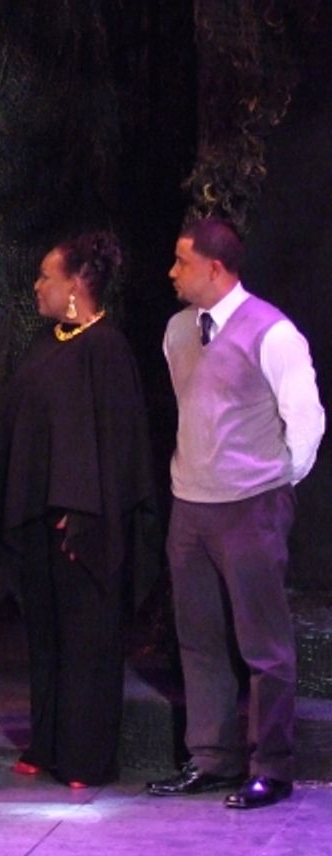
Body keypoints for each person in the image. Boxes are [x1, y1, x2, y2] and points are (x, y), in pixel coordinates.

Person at [148, 218, 324, 809]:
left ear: (215, 268)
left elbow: (306, 420)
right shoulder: (178, 330)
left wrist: (272, 482)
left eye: (182, 262)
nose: (172, 272)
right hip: (190, 506)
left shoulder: (272, 332)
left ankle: (271, 766)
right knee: (199, 639)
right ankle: (212, 759)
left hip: (251, 506)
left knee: (263, 645)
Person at [0, 232, 158, 787]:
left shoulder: (107, 348)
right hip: (40, 518)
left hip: (85, 526)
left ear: (75, 284)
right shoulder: (45, 344)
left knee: (87, 641)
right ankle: (47, 743)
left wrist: (84, 508)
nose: (37, 285)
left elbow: (116, 441)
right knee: (46, 636)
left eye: (46, 276)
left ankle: (85, 756)